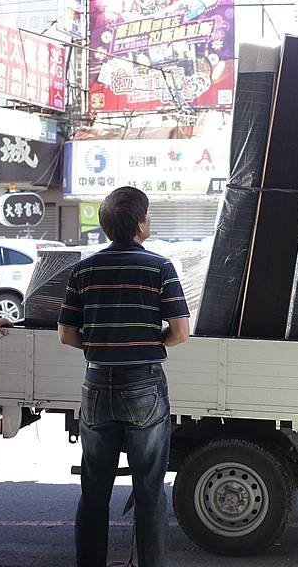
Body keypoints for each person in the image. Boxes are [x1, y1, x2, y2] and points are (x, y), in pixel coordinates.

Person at [57, 187, 189, 567]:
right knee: (149, 491)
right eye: (147, 215)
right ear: (140, 224)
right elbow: (180, 333)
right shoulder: (159, 267)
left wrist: (100, 345)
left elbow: (67, 334)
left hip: (96, 386)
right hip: (144, 385)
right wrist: (149, 342)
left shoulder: (83, 269)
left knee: (94, 491)